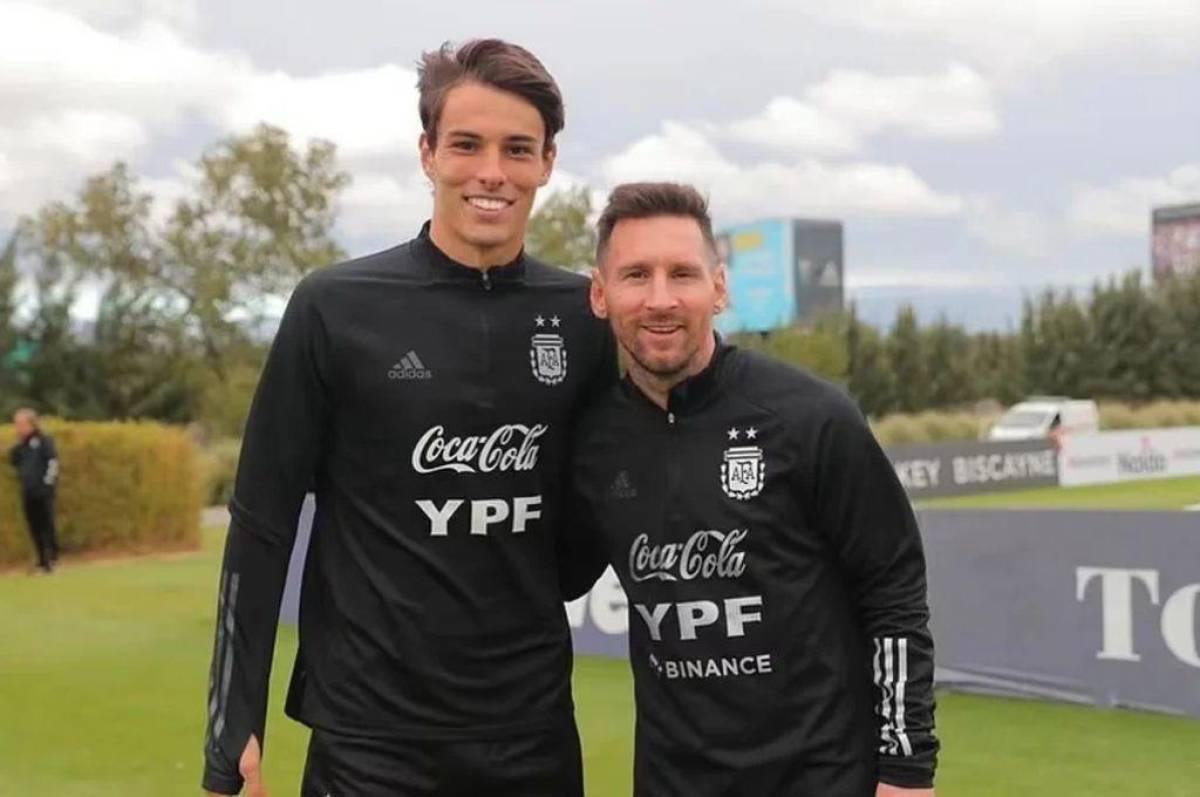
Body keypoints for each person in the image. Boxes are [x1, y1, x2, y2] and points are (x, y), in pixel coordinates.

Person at [202, 39, 616, 797]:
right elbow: (262, 524)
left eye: (517, 149)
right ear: (427, 154)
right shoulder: (336, 307)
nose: (492, 171)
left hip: (532, 739)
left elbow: (600, 514)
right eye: (467, 144)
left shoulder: (584, 318)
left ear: (548, 163)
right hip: (370, 742)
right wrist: (233, 728)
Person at [568, 182, 938, 796]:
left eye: (682, 274)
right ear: (601, 295)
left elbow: (893, 592)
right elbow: (539, 575)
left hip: (821, 780)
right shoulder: (592, 441)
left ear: (719, 288)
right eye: (636, 275)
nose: (660, 299)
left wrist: (905, 771)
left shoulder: (811, 416)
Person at [9, 408, 60, 574]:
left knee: (47, 524)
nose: (18, 428)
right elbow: (15, 462)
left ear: (31, 424)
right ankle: (41, 559)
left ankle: (51, 558)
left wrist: (47, 484)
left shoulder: (45, 441)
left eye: (21, 424)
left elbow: (53, 463)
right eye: (16, 424)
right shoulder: (19, 447)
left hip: (43, 491)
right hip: (28, 491)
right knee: (34, 526)